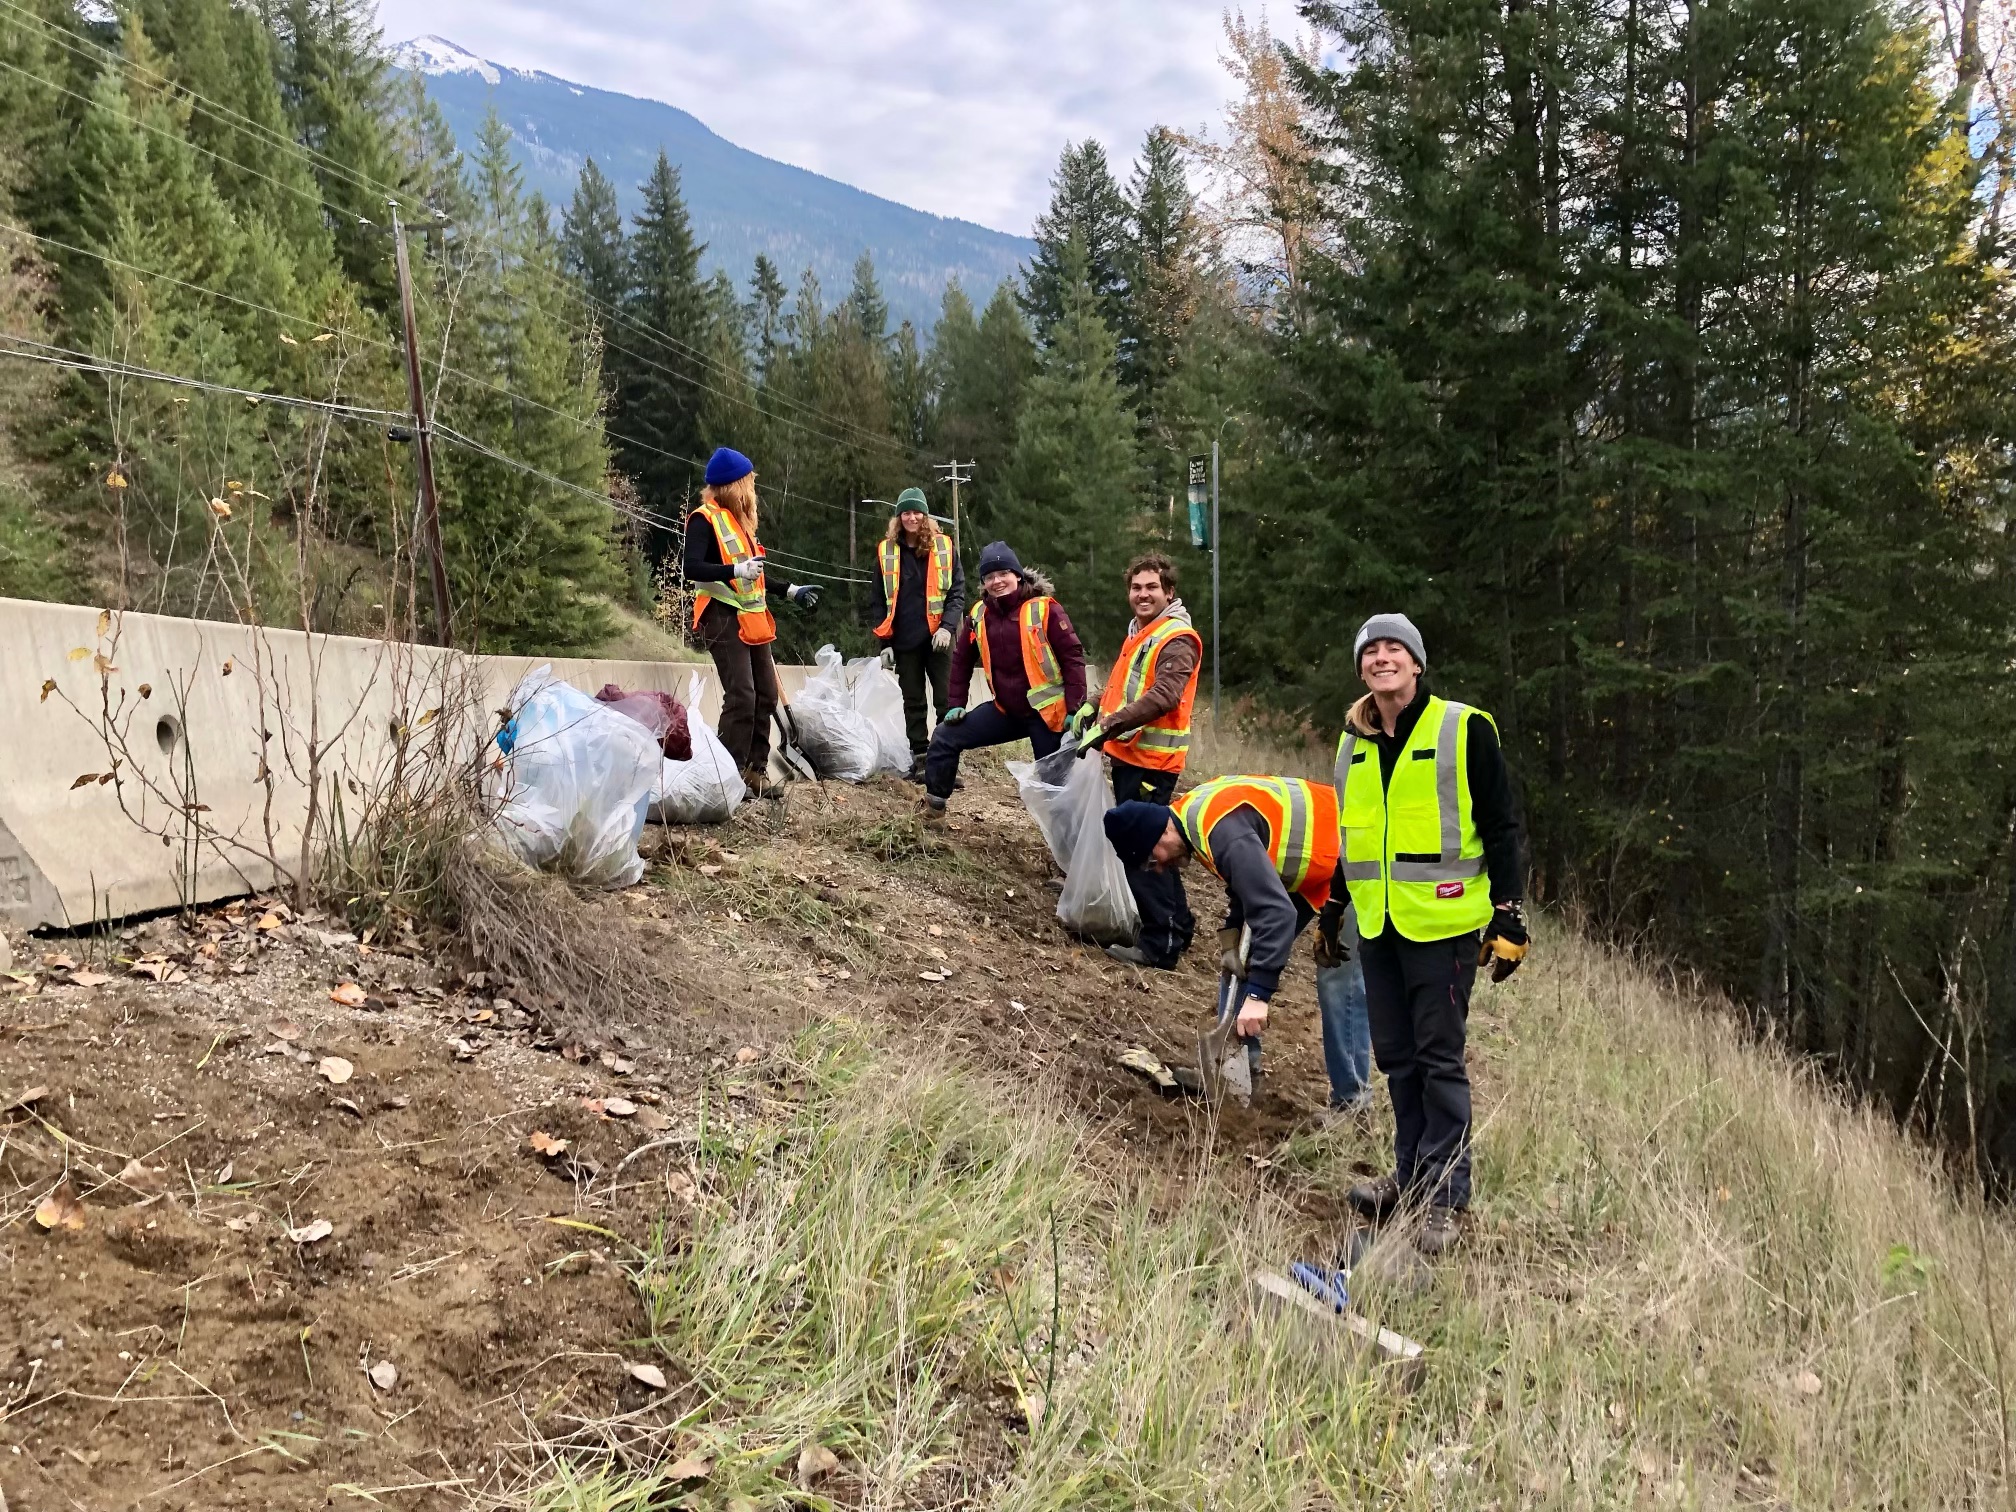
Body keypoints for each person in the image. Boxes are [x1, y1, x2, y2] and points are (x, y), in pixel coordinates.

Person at [1336, 612, 1527, 1257]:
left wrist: (1508, 911)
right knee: (1396, 1058)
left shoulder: (1463, 729)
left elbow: (1501, 827)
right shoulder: (1353, 742)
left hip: (1443, 927)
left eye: (1396, 649)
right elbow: (1351, 836)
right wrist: (1334, 911)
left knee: (1439, 1060)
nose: (1383, 658)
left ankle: (1445, 1196)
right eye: (1372, 651)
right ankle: (1411, 1178)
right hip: (1377, 925)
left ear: (1416, 664)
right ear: (1362, 667)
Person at [1103, 775, 1340, 1087]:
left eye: (1151, 862)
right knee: (1243, 961)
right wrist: (1232, 935)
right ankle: (1240, 1076)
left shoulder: (1221, 832)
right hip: (1313, 868)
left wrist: (1259, 994)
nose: (1159, 869)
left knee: (1339, 986)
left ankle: (1351, 1103)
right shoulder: (1191, 821)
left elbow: (1276, 914)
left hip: (1359, 858)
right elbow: (1246, 882)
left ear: (1158, 835)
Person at [1074, 553, 1201, 971]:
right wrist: (1093, 706)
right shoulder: (1141, 634)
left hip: (1152, 763)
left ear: (1169, 592)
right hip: (1132, 756)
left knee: (1144, 850)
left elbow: (1165, 695)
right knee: (1157, 845)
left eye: (1151, 587)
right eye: (1136, 587)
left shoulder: (1176, 638)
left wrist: (1110, 724)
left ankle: (1160, 943)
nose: (1142, 594)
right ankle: (1178, 925)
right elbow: (1120, 686)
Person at [683, 447, 819, 797]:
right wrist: (734, 570)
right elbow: (692, 568)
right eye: (748, 483)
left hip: (751, 617)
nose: (751, 489)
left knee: (766, 694)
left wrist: (790, 590)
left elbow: (755, 576)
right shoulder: (704, 519)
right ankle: (724, 775)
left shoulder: (739, 523)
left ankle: (754, 771)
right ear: (733, 485)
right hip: (720, 614)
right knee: (742, 695)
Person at [923, 540, 1088, 819]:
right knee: (944, 737)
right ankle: (933, 808)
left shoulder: (1045, 609)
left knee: (1055, 788)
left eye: (1003, 574)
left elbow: (1073, 658)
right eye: (989, 577)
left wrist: (1075, 707)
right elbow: (962, 660)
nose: (997, 581)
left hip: (1048, 715)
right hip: (1005, 711)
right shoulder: (979, 615)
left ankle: (1069, 853)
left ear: (1017, 575)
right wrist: (955, 703)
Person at [870, 487, 966, 780]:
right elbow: (878, 600)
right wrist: (884, 643)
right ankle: (922, 759)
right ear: (899, 517)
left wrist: (949, 627)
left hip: (939, 639)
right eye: (906, 512)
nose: (912, 517)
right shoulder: (887, 551)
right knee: (913, 701)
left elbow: (957, 593)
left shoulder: (944, 547)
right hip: (905, 640)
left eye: (916, 512)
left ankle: (945, 761)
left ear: (925, 516)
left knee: (946, 702)